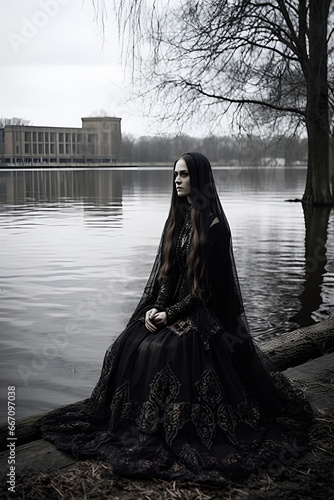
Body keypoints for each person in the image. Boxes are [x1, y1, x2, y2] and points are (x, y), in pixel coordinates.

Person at [41, 152, 312, 483]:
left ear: (199, 178)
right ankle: (138, 422)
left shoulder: (214, 226)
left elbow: (204, 294)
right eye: (175, 175)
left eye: (183, 174)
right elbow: (167, 276)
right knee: (131, 341)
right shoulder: (178, 219)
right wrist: (155, 308)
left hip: (204, 316)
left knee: (169, 349)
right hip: (172, 307)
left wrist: (170, 314)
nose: (177, 180)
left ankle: (175, 425)